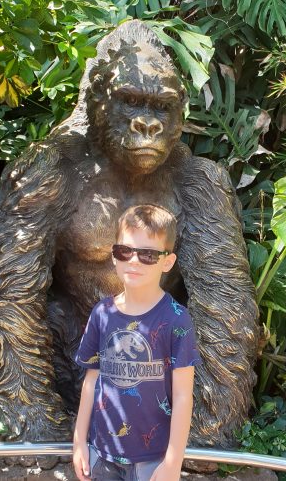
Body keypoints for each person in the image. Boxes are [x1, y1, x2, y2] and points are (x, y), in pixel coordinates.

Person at [72, 204, 201, 481]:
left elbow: (182, 396)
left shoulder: (176, 319)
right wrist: (79, 441)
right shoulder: (102, 313)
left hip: (153, 461)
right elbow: (91, 380)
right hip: (102, 455)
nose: (134, 261)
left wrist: (172, 462)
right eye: (125, 251)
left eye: (148, 254)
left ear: (167, 261)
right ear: (114, 256)